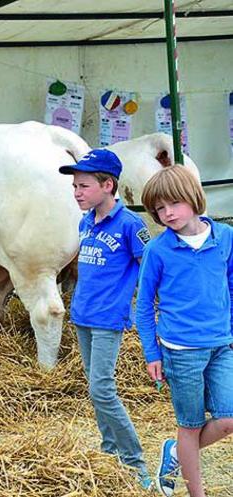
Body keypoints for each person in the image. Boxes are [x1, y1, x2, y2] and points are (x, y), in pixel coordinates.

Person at [136, 164, 233, 497]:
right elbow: (144, 306)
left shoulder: (225, 237)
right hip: (180, 351)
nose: (166, 213)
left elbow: (232, 286)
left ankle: (175, 453)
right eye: (159, 209)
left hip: (222, 344)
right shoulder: (158, 251)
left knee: (228, 419)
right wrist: (152, 352)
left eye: (172, 204)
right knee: (189, 426)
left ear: (193, 198)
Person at [58, 149, 152, 488]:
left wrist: (140, 304)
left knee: (101, 388)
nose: (77, 192)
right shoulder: (86, 221)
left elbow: (149, 266)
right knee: (96, 388)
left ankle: (134, 461)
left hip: (108, 318)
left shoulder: (130, 225)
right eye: (74, 186)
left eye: (83, 186)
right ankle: (109, 452)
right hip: (82, 314)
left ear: (107, 185)